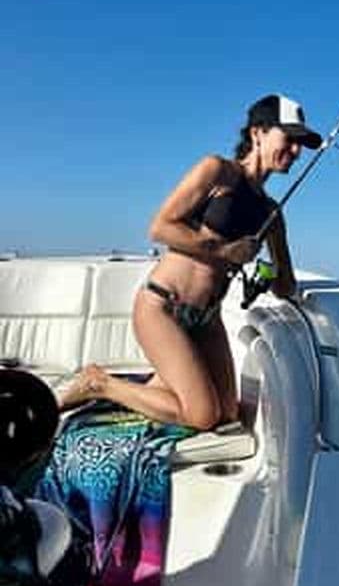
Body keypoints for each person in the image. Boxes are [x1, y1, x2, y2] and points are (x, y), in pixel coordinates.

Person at [57, 94, 322, 430]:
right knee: (202, 416)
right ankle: (99, 383)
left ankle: (161, 385)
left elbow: (286, 286)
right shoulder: (217, 171)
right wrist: (225, 251)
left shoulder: (272, 213)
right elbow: (160, 227)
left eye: (302, 144)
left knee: (227, 412)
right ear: (258, 133)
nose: (297, 151)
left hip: (207, 320)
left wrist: (271, 277)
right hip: (163, 307)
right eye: (290, 138)